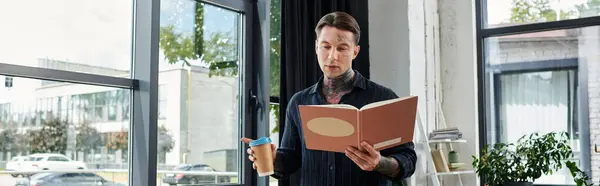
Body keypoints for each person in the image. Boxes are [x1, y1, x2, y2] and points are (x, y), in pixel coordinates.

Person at [241, 11, 416, 186]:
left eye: (341, 48)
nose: (332, 56)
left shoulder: (384, 98)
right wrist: (273, 159)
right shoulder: (298, 102)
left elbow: (408, 160)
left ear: (355, 51)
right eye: (326, 46)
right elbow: (290, 161)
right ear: (317, 47)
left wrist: (379, 163)